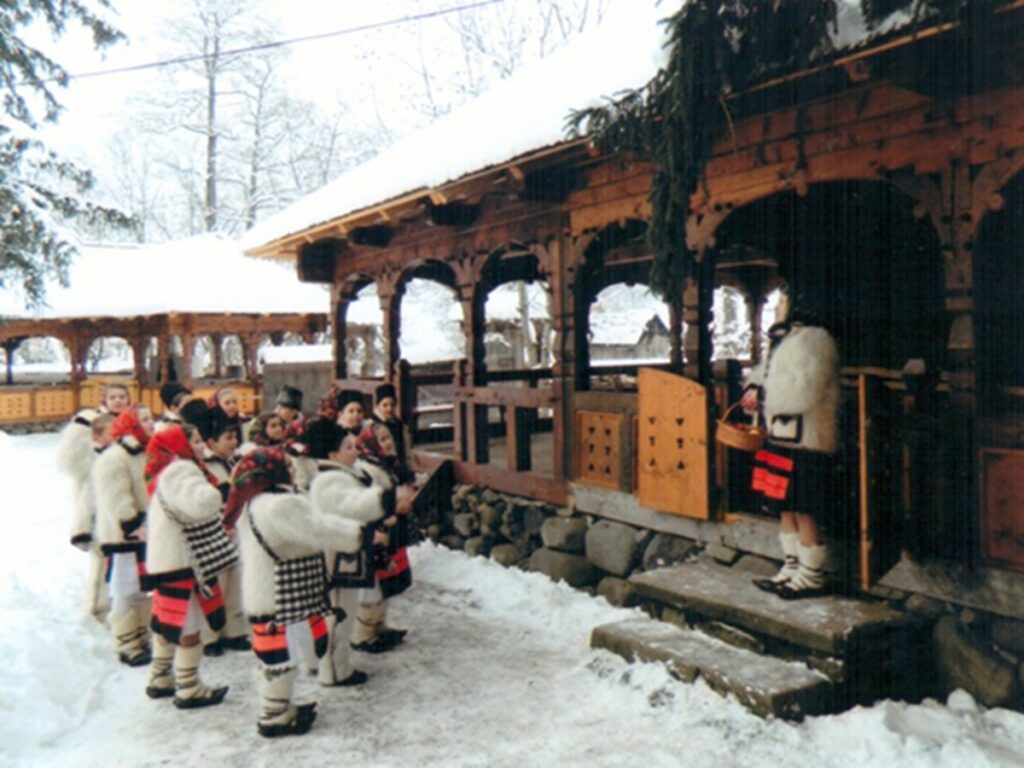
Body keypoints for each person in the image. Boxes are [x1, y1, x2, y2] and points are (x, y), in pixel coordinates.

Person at [230, 446, 367, 737]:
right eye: (288, 466)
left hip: (267, 592)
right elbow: (317, 530)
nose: (294, 470)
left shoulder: (254, 502)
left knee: (279, 655)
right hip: (279, 595)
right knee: (281, 658)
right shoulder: (279, 505)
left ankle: (279, 707)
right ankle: (274, 717)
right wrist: (358, 535)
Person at [741, 301, 840, 600]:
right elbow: (765, 375)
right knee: (785, 505)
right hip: (781, 435)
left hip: (805, 438)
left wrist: (765, 394)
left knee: (803, 505)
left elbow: (804, 390)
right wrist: (754, 389)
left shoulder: (815, 341)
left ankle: (811, 576)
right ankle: (792, 566)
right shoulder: (784, 339)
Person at [304, 419, 414, 681]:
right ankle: (333, 670)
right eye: (348, 446)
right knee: (338, 613)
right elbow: (355, 504)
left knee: (343, 612)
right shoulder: (329, 481)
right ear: (332, 454)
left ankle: (333, 665)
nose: (355, 450)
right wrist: (388, 500)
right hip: (336, 559)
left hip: (346, 555)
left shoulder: (339, 476)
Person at [143, 424, 234, 708]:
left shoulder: (168, 470)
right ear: (180, 446)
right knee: (188, 625)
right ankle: (189, 686)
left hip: (167, 558)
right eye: (194, 441)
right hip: (182, 561)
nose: (201, 446)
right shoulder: (182, 470)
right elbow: (202, 503)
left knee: (168, 620)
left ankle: (160, 677)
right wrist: (222, 490)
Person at [93, 405, 156, 665]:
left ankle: (141, 635)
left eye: (151, 418)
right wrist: (131, 524)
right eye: (144, 420)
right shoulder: (115, 457)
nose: (151, 423)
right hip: (123, 536)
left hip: (144, 532)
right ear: (130, 425)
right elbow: (117, 496)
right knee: (124, 588)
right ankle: (126, 641)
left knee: (142, 588)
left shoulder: (144, 452)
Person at [354, 421, 415, 650]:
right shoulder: (367, 470)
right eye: (382, 440)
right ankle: (362, 633)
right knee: (373, 586)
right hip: (378, 531)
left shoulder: (389, 465)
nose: (388, 443)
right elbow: (368, 502)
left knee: (387, 580)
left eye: (389, 438)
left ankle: (379, 625)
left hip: (392, 530)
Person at [194, 405, 248, 657]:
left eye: (235, 437)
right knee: (213, 584)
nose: (234, 442)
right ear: (212, 441)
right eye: (228, 438)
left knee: (234, 580)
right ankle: (209, 635)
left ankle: (234, 629)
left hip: (233, 529)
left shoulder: (232, 462)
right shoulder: (205, 466)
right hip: (213, 532)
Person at [63, 412, 115, 619]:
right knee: (99, 562)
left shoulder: (118, 452)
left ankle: (108, 602)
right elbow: (69, 460)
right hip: (95, 515)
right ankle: (94, 605)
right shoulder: (89, 455)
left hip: (114, 514)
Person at [370, 382, 415, 485]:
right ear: (378, 406)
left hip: (402, 468)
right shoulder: (374, 426)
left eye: (392, 405)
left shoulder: (399, 425)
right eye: (385, 405)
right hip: (384, 470)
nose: (389, 408)